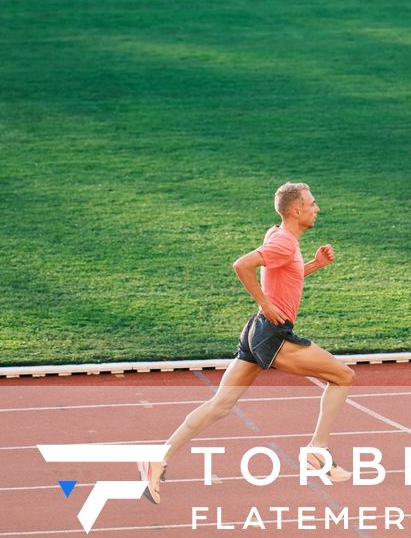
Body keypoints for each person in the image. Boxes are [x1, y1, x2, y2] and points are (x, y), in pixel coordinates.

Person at [144, 182, 354, 503]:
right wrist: (266, 304)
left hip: (255, 331)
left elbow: (283, 278)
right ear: (295, 211)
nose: (317, 208)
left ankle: (158, 458)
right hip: (272, 333)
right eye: (312, 204)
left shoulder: (280, 237)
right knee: (342, 376)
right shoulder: (284, 243)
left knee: (220, 405)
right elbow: (241, 265)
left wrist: (314, 265)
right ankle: (316, 450)